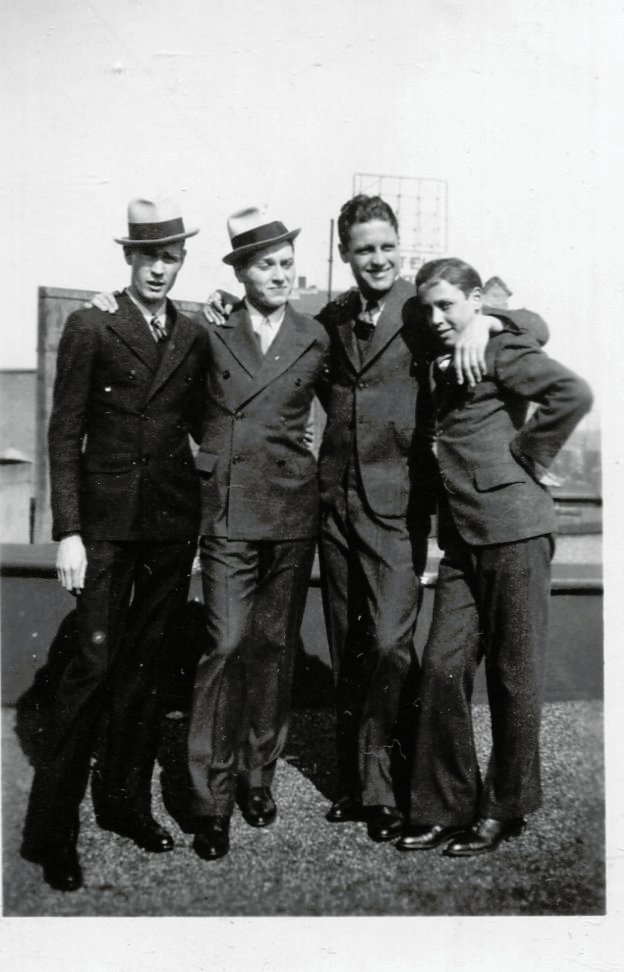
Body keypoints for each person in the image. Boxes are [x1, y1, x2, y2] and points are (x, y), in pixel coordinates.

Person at [203, 194, 535, 843]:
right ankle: (362, 788)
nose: (377, 259)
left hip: (396, 507)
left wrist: (489, 320)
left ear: (398, 247)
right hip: (332, 503)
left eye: (386, 247)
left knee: (389, 644)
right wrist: (221, 302)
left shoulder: (424, 309)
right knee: (351, 645)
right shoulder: (332, 316)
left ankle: (390, 784)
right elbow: (274, 327)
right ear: (345, 254)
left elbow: (532, 325)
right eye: (364, 250)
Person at [20, 196, 209, 891]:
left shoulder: (192, 333)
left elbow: (202, 421)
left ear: (181, 261)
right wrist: (68, 531)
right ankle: (50, 834)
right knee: (92, 668)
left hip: (169, 526)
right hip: (103, 527)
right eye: (147, 256)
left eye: (170, 257)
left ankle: (124, 805)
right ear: (129, 258)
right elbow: (64, 431)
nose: (158, 268)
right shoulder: (91, 323)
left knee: (145, 670)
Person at [396, 257, 592, 856]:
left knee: (514, 675)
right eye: (429, 307)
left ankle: (505, 809)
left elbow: (572, 392)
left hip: (515, 531)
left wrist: (529, 454)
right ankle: (444, 806)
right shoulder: (440, 346)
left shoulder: (498, 345)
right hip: (462, 538)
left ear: (476, 300)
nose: (436, 317)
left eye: (448, 305)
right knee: (441, 667)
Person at [187, 206, 331, 861]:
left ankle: (256, 777)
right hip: (228, 512)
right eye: (266, 265)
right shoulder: (208, 328)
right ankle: (210, 800)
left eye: (286, 263)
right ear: (241, 272)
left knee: (273, 648)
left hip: (292, 511)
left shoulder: (314, 335)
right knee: (226, 645)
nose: (279, 274)